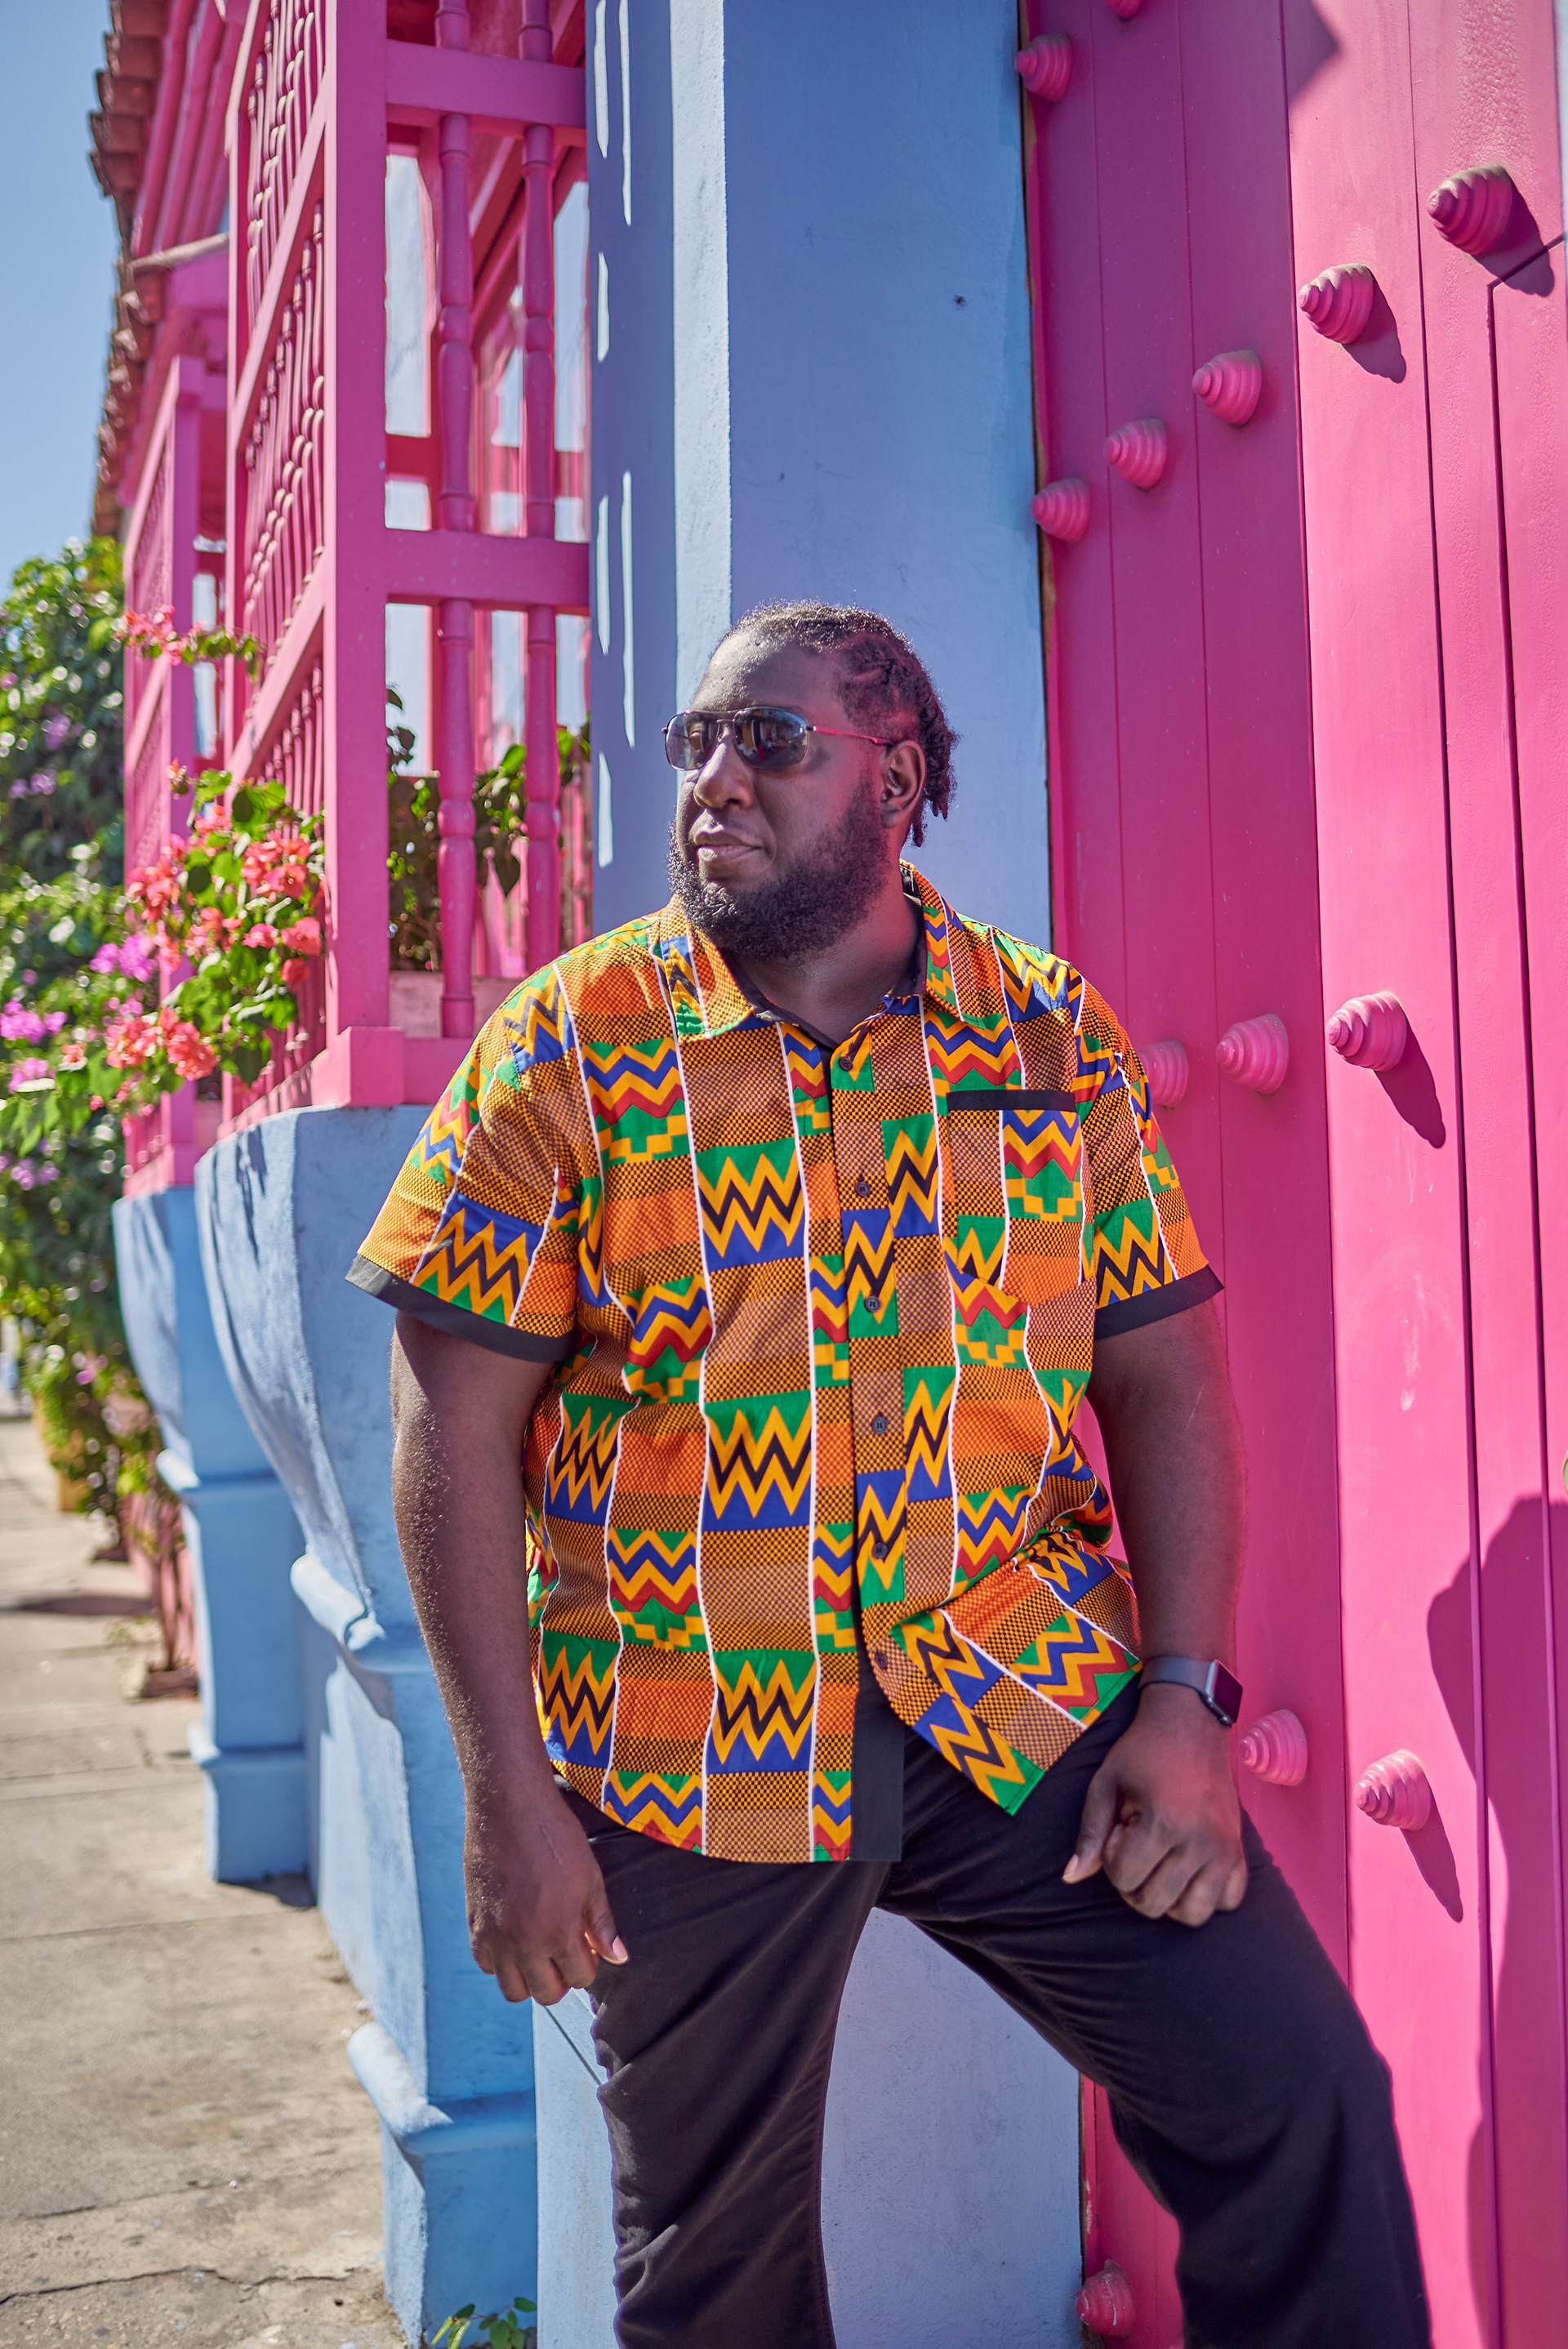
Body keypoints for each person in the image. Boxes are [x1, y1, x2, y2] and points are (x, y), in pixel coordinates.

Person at [350, 602, 1430, 2348]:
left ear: (899, 778)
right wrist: (507, 1800)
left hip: (1015, 1687)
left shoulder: (1046, 1033)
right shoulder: (566, 1046)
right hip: (694, 1722)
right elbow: (448, 1431)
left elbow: (1161, 1373)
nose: (716, 778)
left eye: (771, 742)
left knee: (1299, 2099)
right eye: (698, 741)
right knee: (717, 2275)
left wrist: (1182, 1700)